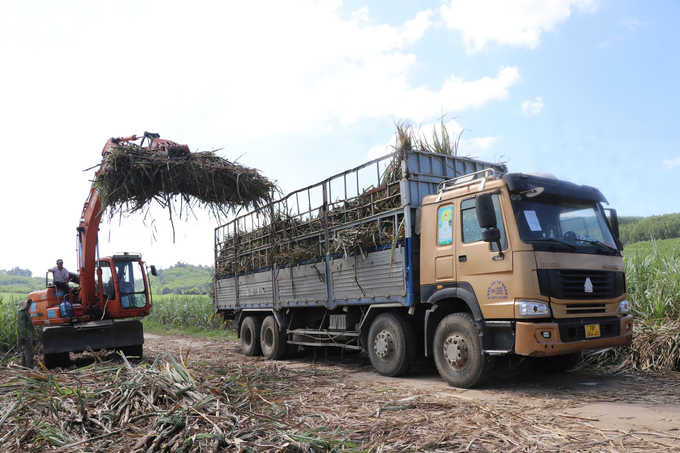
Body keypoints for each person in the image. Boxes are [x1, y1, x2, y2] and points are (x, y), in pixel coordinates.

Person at [17, 299, 36, 369]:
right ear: (24, 306)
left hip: (29, 336)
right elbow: (22, 327)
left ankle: (24, 368)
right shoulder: (23, 315)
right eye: (27, 304)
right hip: (27, 336)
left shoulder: (26, 314)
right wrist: (23, 337)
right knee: (28, 353)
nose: (29, 305)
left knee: (25, 353)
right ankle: (29, 369)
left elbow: (29, 327)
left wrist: (32, 338)